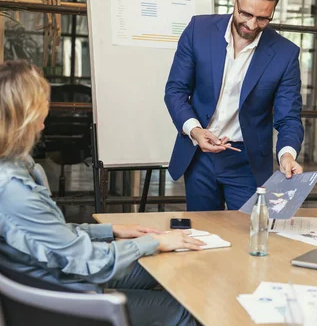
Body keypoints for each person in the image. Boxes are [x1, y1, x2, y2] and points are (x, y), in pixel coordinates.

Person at [0, 60, 204, 326]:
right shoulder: (14, 190)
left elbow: (51, 237)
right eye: (42, 105)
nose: (45, 116)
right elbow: (89, 262)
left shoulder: (14, 165)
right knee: (187, 310)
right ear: (24, 114)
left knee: (170, 268)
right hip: (69, 296)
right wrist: (154, 242)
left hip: (64, 276)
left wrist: (110, 230)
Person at [165, 0, 304, 211]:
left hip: (247, 162)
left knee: (249, 236)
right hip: (200, 155)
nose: (252, 25)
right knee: (203, 237)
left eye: (263, 18)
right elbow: (175, 91)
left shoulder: (285, 54)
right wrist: (196, 131)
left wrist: (287, 155)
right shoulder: (199, 31)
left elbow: (289, 117)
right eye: (246, 14)